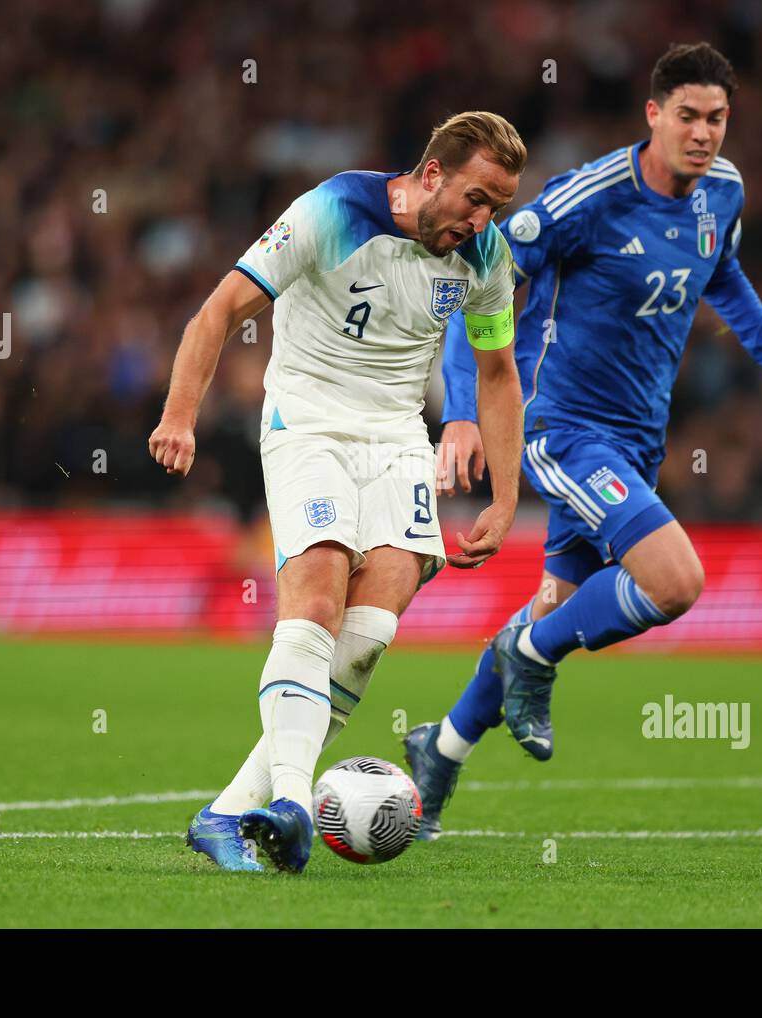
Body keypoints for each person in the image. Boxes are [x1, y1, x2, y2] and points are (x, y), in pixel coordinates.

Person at [406, 43, 762, 838]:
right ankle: (532, 661)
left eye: (717, 118)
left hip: (639, 441)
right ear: (654, 114)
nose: (704, 133)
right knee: (674, 582)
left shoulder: (725, 193)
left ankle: (440, 748)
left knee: (555, 609)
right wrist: (466, 408)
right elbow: (482, 279)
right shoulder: (590, 199)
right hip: (560, 429)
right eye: (688, 115)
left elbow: (722, 277)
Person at [149, 112, 528, 871]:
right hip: (310, 423)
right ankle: (289, 804)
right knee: (317, 599)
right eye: (476, 198)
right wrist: (180, 415)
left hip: (395, 442)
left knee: (364, 644)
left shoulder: (485, 256)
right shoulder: (332, 211)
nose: (483, 219)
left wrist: (506, 497)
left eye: (499, 206)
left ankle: (226, 814)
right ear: (431, 175)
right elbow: (220, 309)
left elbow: (497, 372)